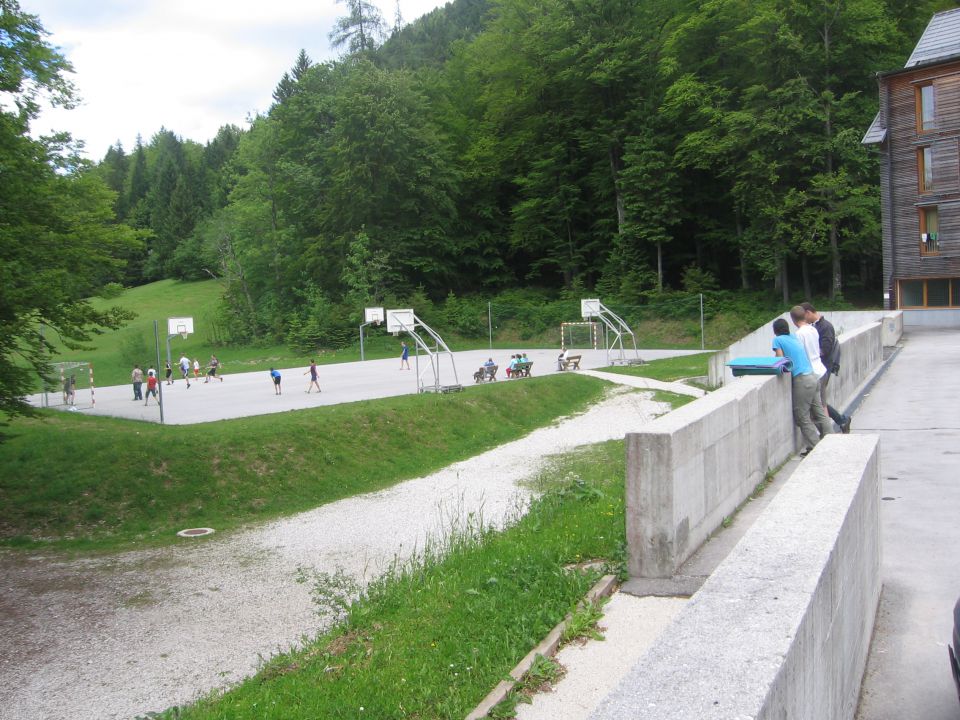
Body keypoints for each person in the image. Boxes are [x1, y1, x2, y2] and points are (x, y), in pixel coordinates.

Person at [773, 318, 831, 456]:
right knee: (818, 411)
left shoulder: (778, 340)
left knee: (802, 416)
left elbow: (779, 359)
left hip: (802, 380)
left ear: (775, 331)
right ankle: (831, 440)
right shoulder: (793, 337)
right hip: (813, 376)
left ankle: (815, 447)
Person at [801, 302, 851, 433]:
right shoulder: (816, 326)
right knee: (818, 401)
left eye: (803, 316)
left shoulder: (825, 327)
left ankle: (832, 428)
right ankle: (841, 420)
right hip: (820, 369)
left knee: (819, 402)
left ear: (808, 312)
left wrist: (811, 353)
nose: (803, 320)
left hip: (823, 369)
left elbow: (826, 349)